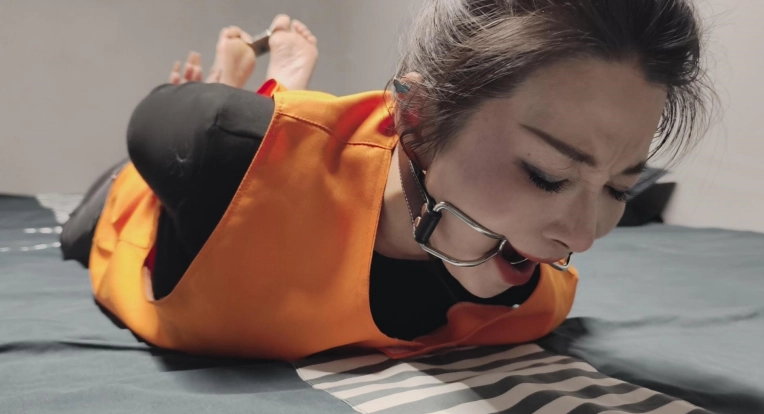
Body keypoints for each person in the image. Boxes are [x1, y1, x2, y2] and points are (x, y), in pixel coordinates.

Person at [61, 2, 713, 361]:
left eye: (618, 189)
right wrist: (224, 103)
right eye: (547, 174)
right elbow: (156, 115)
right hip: (161, 207)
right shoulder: (220, 144)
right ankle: (260, 90)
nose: (583, 236)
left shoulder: (535, 293)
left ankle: (281, 93)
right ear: (418, 119)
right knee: (82, 230)